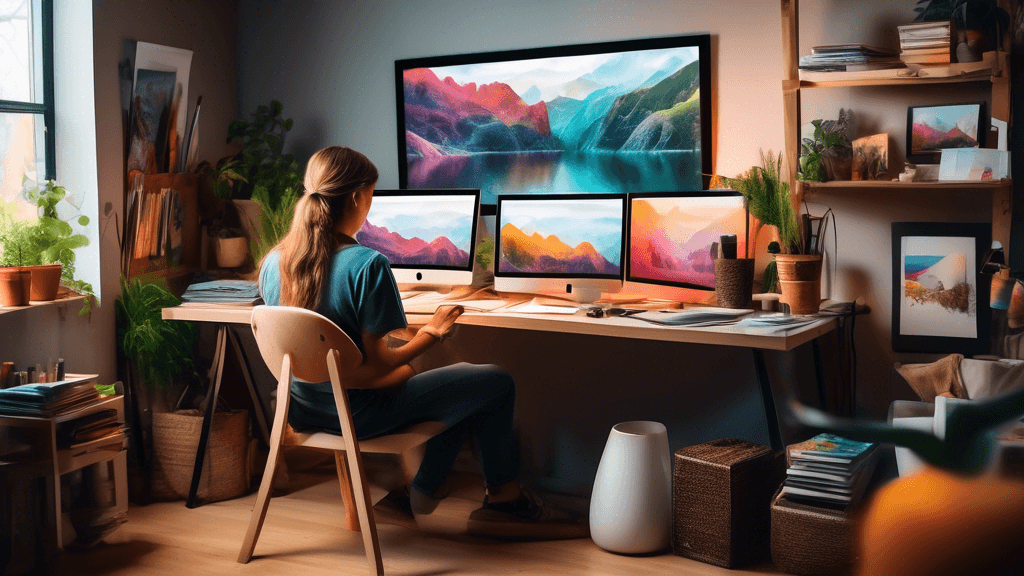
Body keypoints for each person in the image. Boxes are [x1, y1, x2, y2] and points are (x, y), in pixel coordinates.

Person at [258, 145, 586, 539]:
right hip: (359, 416)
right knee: (495, 382)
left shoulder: (274, 263)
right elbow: (380, 365)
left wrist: (406, 350)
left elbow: (332, 333)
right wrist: (432, 333)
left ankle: (420, 493)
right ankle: (497, 499)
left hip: (306, 411)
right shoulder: (368, 265)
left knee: (457, 382)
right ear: (359, 197)